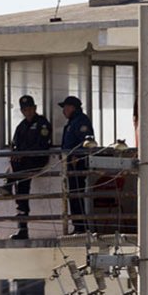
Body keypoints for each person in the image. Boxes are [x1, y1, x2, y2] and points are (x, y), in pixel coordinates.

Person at [0, 95, 51, 240]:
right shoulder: (21, 126)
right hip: (22, 164)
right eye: (25, 110)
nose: (28, 112)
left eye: (30, 109)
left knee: (21, 182)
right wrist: (16, 154)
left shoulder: (42, 124)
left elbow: (42, 144)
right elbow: (15, 145)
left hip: (36, 160)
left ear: (35, 108)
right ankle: (22, 228)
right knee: (21, 187)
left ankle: (8, 183)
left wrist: (24, 154)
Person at [58, 95, 95, 234]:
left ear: (73, 107)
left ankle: (81, 227)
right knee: (73, 195)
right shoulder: (72, 122)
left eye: (66, 107)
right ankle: (78, 225)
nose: (64, 111)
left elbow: (86, 143)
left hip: (77, 164)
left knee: (77, 194)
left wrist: (76, 156)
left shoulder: (81, 121)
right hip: (70, 164)